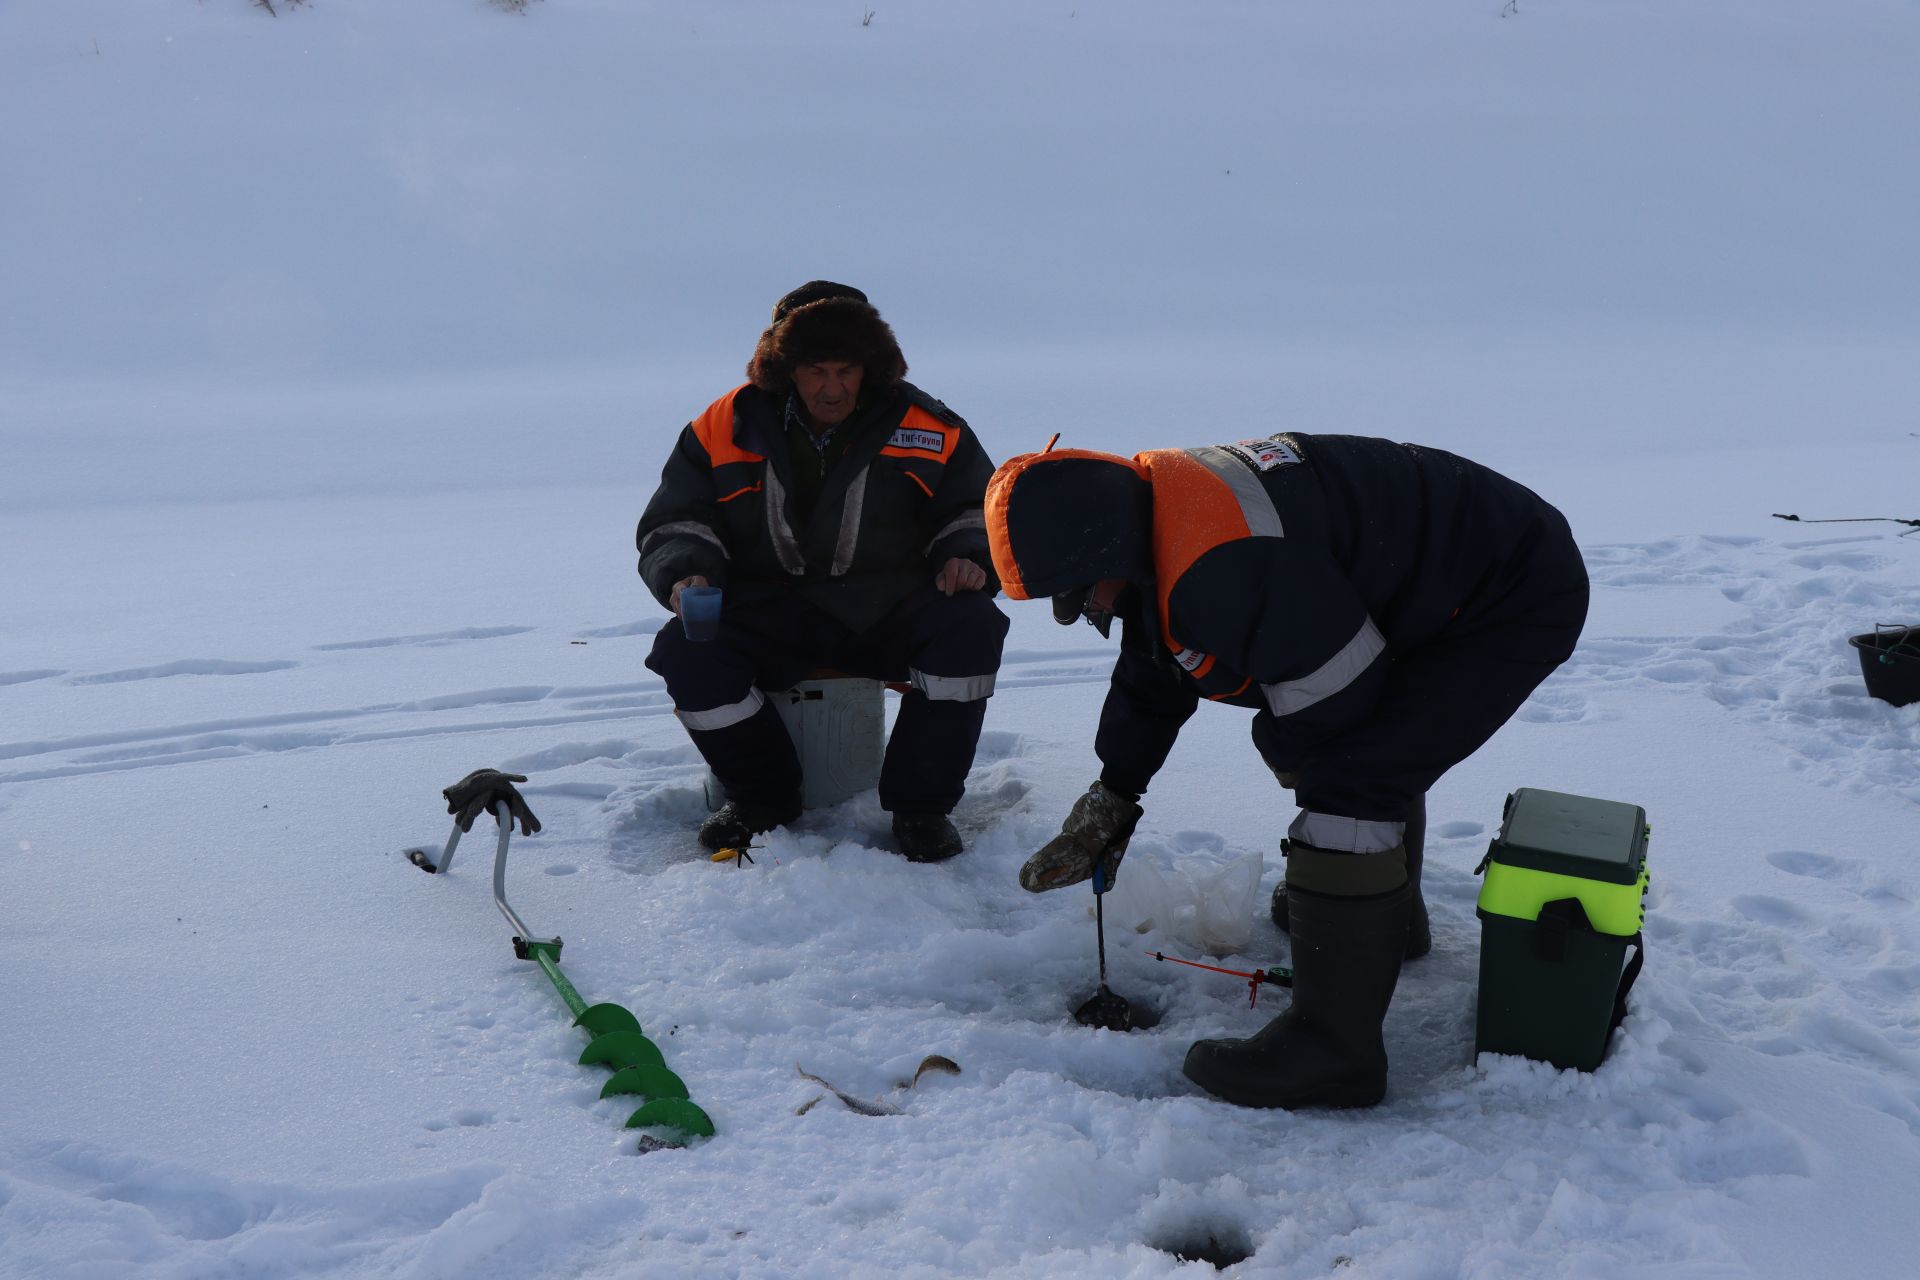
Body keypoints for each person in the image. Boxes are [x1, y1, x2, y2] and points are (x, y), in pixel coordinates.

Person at [985, 433, 1587, 1108]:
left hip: (1505, 592)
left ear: (1105, 546)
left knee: (1352, 774)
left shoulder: (1219, 563)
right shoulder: (1162, 518)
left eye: (1072, 593)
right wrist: (1114, 791)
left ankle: (1334, 1051)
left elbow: (1342, 702)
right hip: (1444, 576)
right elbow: (1158, 662)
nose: (1079, 613)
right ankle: (1383, 925)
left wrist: (1286, 750)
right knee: (1366, 759)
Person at [638, 282, 1007, 863]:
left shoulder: (929, 424)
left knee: (971, 624)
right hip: (768, 606)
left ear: (871, 367)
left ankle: (922, 809)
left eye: (847, 370)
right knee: (686, 647)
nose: (832, 389)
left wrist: (966, 554)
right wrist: (688, 574)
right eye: (815, 371)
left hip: (885, 608)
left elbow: (976, 508)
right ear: (784, 368)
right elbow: (677, 520)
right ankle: (761, 800)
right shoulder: (721, 426)